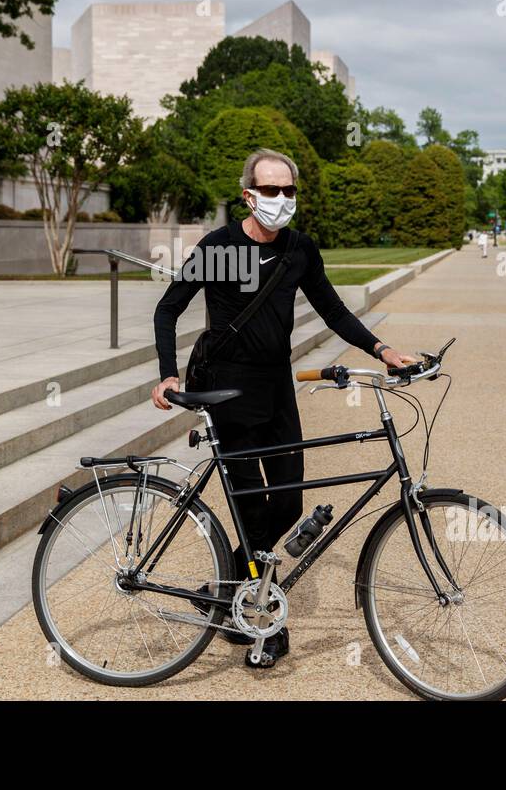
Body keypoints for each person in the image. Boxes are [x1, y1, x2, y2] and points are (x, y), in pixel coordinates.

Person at [151, 148, 416, 669]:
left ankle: (229, 583)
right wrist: (167, 372)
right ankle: (262, 620)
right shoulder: (219, 246)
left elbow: (334, 308)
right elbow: (169, 307)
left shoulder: (299, 250)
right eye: (270, 190)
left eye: (288, 190)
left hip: (276, 391)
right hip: (226, 392)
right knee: (253, 513)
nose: (280, 200)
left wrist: (382, 351)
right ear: (248, 193)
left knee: (289, 504)